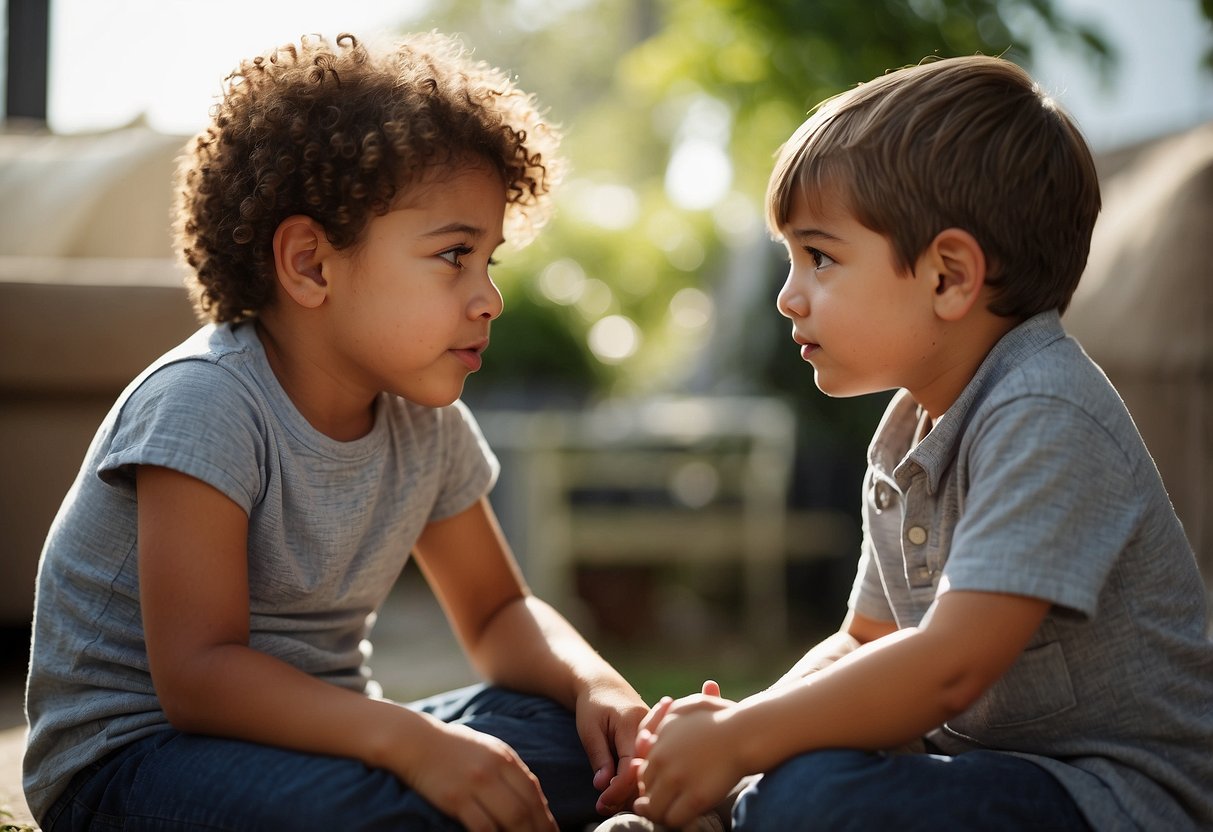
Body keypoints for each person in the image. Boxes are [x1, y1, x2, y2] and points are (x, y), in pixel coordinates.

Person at [24, 31, 648, 831]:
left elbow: (497, 614)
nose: (488, 297)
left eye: (490, 260)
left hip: (323, 745)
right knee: (389, 804)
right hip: (136, 760)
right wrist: (411, 743)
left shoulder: (427, 423)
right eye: (454, 255)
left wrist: (596, 688)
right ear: (311, 264)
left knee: (566, 739)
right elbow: (199, 677)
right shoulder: (205, 403)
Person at [601, 55, 1213, 831]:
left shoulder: (1048, 414)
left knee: (816, 799)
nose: (788, 296)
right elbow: (865, 638)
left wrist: (741, 742)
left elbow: (948, 667)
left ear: (948, 277)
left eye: (819, 257)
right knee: (804, 775)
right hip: (977, 773)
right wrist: (734, 738)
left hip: (1110, 797)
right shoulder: (905, 435)